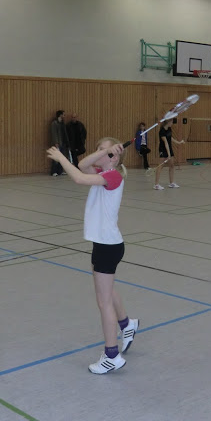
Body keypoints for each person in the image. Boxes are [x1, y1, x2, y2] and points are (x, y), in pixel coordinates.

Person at [46, 137, 139, 374]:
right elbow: (82, 165)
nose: (99, 153)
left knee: (103, 301)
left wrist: (60, 158)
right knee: (107, 290)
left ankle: (111, 355)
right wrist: (105, 151)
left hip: (108, 246)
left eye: (106, 152)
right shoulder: (102, 172)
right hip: (105, 244)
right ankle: (127, 324)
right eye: (98, 149)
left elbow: (78, 177)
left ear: (116, 159)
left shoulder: (113, 176)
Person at [154, 119, 184, 190]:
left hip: (169, 149)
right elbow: (166, 143)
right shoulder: (162, 131)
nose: (172, 123)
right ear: (168, 122)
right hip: (163, 149)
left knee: (172, 165)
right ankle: (156, 185)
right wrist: (169, 154)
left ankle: (171, 183)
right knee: (160, 166)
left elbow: (170, 138)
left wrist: (179, 142)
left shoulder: (169, 129)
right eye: (172, 122)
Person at [50, 110, 70, 176]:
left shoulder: (62, 123)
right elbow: (54, 133)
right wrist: (56, 142)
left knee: (62, 157)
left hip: (63, 142)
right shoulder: (54, 123)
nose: (64, 116)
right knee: (56, 158)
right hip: (58, 143)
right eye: (63, 114)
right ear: (60, 115)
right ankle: (54, 171)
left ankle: (60, 171)